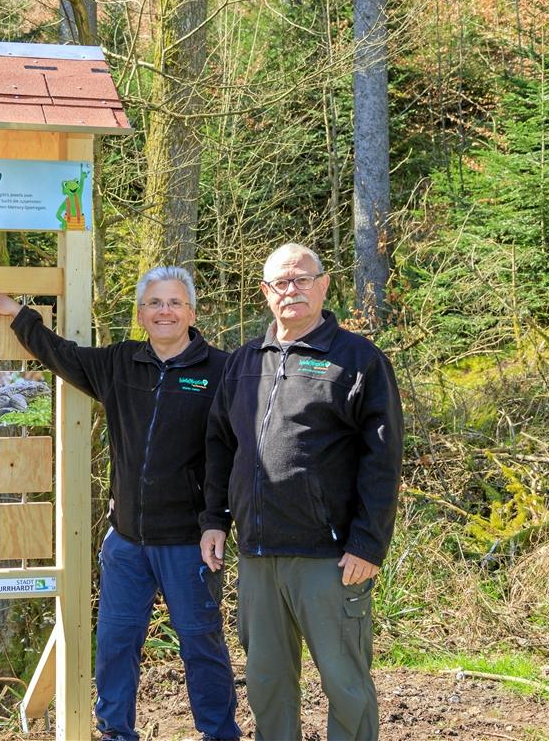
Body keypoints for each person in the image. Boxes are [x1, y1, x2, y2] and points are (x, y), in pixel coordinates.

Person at [0, 267, 241, 741]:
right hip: (125, 542)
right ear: (141, 314)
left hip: (190, 543)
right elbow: (64, 356)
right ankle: (115, 732)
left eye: (175, 303)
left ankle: (220, 733)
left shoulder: (223, 371)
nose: (165, 311)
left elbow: (233, 456)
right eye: (155, 303)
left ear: (192, 312)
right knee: (116, 644)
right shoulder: (120, 364)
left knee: (201, 644)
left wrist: (217, 521)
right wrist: (21, 316)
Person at [199, 243, 403, 741]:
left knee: (345, 684)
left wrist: (367, 543)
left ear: (323, 284)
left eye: (301, 279)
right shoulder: (245, 361)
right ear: (265, 292)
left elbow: (383, 461)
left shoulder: (357, 360)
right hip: (257, 555)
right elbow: (221, 444)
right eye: (280, 283)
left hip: (329, 557)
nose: (291, 290)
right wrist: (213, 519)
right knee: (267, 685)